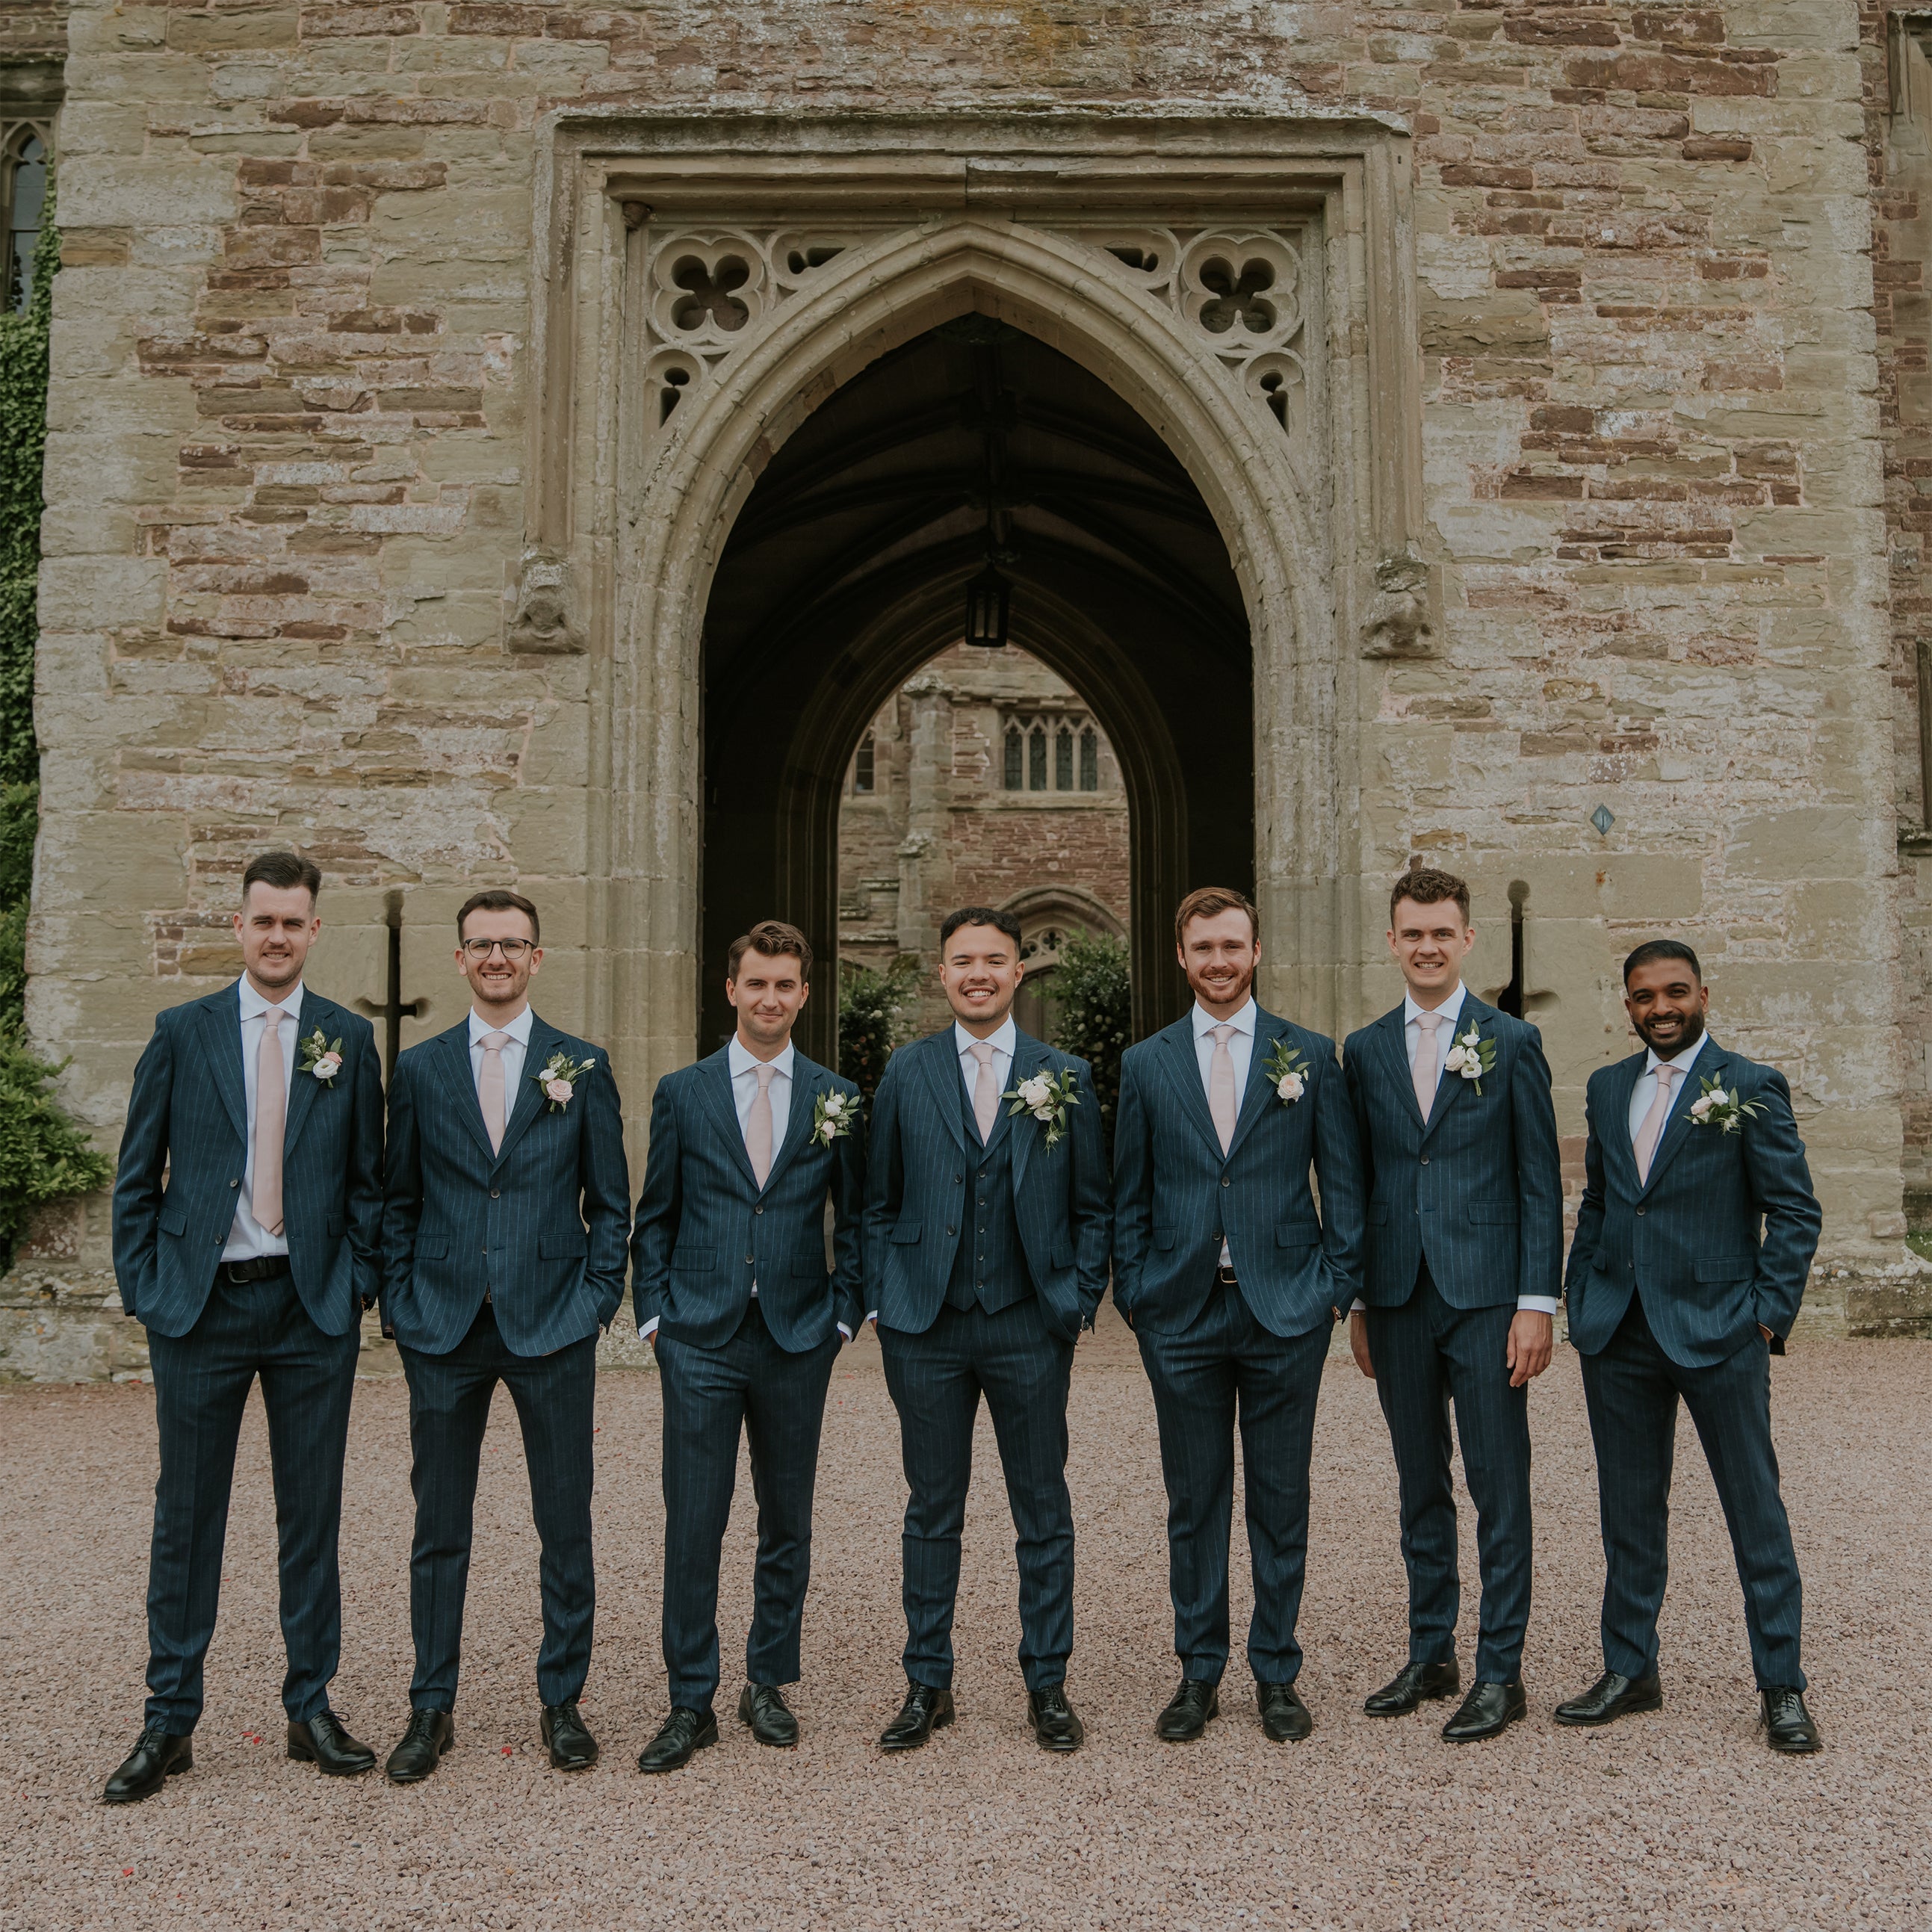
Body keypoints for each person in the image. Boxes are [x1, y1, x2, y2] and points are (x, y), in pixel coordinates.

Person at [105, 850, 384, 1802]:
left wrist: (353, 1285)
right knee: (186, 1519)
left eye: (293, 922)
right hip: (201, 1306)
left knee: (311, 1515)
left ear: (314, 931)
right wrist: (146, 1286)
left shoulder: (345, 1037)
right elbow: (138, 1173)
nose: (277, 936)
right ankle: (169, 1720)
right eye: (262, 920)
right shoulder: (181, 1032)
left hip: (310, 1310)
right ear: (240, 926)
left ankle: (310, 1707)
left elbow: (367, 1182)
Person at [378, 888, 630, 1781]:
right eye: (480, 944)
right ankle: (430, 1705)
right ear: (459, 960)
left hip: (551, 1325)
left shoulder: (583, 1068)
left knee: (564, 1523)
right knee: (438, 1527)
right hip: (442, 1328)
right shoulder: (419, 1069)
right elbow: (397, 1201)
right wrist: (403, 1306)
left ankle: (562, 1701)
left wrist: (594, 1303)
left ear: (536, 958)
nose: (495, 957)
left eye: (511, 944)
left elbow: (612, 1207)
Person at [1558, 940, 1823, 1753]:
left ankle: (1781, 1685)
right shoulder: (1607, 1088)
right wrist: (1582, 1294)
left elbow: (1796, 1212)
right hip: (1621, 1333)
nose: (1661, 1008)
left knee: (1755, 1511)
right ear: (1627, 1004)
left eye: (1675, 992)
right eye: (1644, 996)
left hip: (1721, 1332)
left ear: (1704, 994)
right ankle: (1630, 1668)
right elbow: (1604, 1200)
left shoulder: (1748, 1086)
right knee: (1629, 1513)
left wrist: (1766, 1318)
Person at [1112, 887, 1363, 1744]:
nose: (1218, 962)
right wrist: (1139, 1295)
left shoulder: (1309, 1055)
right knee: (1195, 1500)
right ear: (1181, 958)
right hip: (1179, 1312)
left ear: (1256, 952)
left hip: (1284, 1308)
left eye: (1232, 946)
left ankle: (1277, 1672)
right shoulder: (1147, 1064)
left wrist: (1332, 1286)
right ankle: (1198, 1672)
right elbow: (1129, 1193)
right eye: (1202, 949)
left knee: (1280, 1498)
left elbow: (1345, 1184)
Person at [863, 905, 1110, 1753]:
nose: (978, 973)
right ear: (944, 974)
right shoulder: (906, 1072)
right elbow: (877, 1199)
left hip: (1027, 1326)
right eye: (963, 960)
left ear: (1015, 972)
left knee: (1042, 1509)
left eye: (994, 961)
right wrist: (884, 1298)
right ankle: (927, 1682)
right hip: (924, 1327)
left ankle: (1048, 1684)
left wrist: (1073, 1299)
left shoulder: (1063, 1074)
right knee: (932, 1509)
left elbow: (1093, 1205)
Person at [629, 920, 865, 1772]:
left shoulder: (835, 1096)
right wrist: (655, 1319)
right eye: (755, 983)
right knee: (694, 1521)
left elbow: (860, 1219)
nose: (770, 998)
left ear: (804, 994)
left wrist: (843, 1316)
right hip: (698, 1336)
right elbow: (653, 1215)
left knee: (785, 1520)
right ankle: (691, 1698)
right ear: (731, 990)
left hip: (799, 1337)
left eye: (785, 985)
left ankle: (767, 1679)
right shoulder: (683, 1093)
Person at [1341, 868, 1562, 1741]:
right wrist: (1359, 1296)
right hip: (1396, 1295)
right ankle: (1432, 1651)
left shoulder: (1511, 1041)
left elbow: (1540, 1180)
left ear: (1467, 940)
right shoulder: (1362, 1051)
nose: (1427, 947)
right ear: (1390, 942)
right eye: (1412, 933)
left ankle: (1499, 1671)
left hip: (1487, 1296)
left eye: (1442, 932)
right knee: (1418, 1482)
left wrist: (1537, 1301)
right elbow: (1354, 1181)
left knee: (1498, 1483)